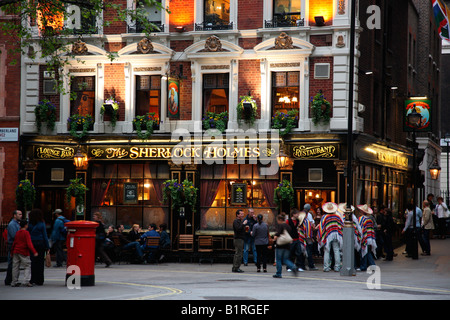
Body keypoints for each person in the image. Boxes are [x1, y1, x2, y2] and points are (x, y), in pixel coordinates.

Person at [11, 219, 38, 287]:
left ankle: (14, 281)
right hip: (23, 251)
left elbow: (14, 243)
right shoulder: (26, 233)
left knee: (15, 267)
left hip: (16, 251)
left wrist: (12, 252)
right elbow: (29, 243)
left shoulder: (17, 232)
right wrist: (34, 251)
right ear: (26, 225)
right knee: (27, 266)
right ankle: (26, 281)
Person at [317, 202, 343, 272]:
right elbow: (341, 225)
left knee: (327, 250)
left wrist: (320, 236)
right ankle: (337, 267)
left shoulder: (324, 217)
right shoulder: (337, 216)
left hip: (327, 235)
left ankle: (326, 267)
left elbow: (321, 227)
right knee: (336, 250)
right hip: (336, 235)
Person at [28, 208, 50, 286]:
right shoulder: (41, 223)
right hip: (41, 244)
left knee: (33, 262)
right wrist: (47, 246)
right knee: (40, 263)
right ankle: (40, 280)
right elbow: (45, 235)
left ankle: (33, 279)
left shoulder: (29, 223)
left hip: (32, 244)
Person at [273, 214, 297, 278]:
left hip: (280, 245)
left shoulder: (281, 225)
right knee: (285, 259)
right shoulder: (288, 226)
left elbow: (277, 234)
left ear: (280, 220)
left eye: (277, 220)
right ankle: (293, 266)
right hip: (287, 245)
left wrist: (274, 239)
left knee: (278, 259)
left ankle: (278, 273)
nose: (277, 222)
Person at [4, 210, 23, 286]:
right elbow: (14, 236)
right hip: (12, 245)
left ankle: (12, 279)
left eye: (21, 214)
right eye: (19, 214)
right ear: (15, 215)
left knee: (15, 263)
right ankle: (8, 280)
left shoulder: (17, 224)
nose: (21, 215)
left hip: (15, 245)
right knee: (12, 263)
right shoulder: (12, 224)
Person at [358, 204, 377, 270]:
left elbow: (360, 229)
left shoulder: (361, 219)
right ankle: (372, 265)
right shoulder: (369, 219)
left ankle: (364, 266)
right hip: (370, 238)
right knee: (367, 252)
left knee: (364, 252)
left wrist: (359, 237)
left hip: (364, 238)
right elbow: (372, 229)